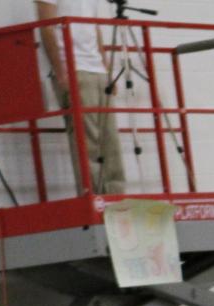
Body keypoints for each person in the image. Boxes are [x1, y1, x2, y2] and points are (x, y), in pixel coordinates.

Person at [36, 1, 126, 196]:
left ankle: (116, 196)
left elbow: (94, 29)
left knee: (109, 137)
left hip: (96, 69)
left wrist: (107, 70)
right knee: (87, 139)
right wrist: (61, 71)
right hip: (74, 68)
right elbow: (46, 27)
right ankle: (94, 196)